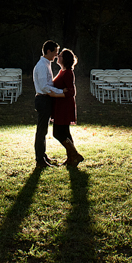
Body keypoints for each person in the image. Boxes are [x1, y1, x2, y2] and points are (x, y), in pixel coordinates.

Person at [51, 48, 84, 167]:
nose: (57, 56)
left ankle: (74, 154)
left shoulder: (68, 73)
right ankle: (71, 158)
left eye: (60, 55)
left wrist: (61, 92)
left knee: (58, 133)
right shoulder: (62, 71)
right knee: (65, 133)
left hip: (64, 106)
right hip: (60, 105)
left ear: (64, 59)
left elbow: (71, 91)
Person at [32, 40, 63, 169]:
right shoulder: (42, 66)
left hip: (45, 99)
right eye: (55, 52)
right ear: (48, 51)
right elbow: (45, 87)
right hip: (43, 99)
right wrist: (61, 92)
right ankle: (40, 159)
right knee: (41, 130)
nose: (56, 55)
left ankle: (43, 156)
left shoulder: (46, 64)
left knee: (43, 129)